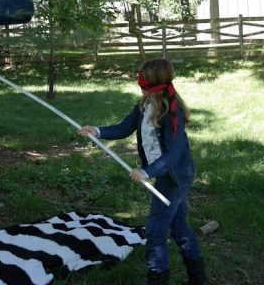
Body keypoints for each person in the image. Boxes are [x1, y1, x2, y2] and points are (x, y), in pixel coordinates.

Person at [77, 58, 209, 285]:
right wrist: (96, 131)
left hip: (175, 177)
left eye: (142, 80)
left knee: (155, 232)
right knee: (179, 227)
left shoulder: (171, 112)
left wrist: (148, 171)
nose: (139, 84)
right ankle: (199, 281)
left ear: (152, 84)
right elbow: (123, 128)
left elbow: (174, 152)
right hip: (165, 174)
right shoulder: (144, 105)